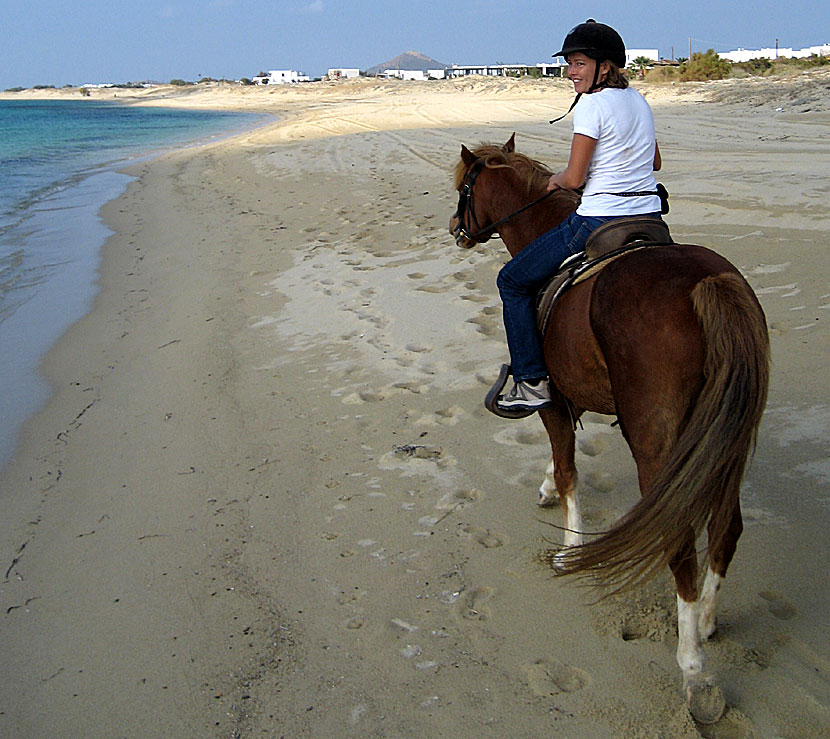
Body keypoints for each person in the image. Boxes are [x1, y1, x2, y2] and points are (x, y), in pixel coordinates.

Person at [496, 19, 663, 413]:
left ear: (604, 67)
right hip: (651, 218)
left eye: (579, 64)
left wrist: (553, 180)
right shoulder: (639, 100)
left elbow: (574, 177)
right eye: (569, 63)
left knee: (512, 282)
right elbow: (653, 161)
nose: (570, 72)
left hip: (598, 221)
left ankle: (531, 381)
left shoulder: (591, 105)